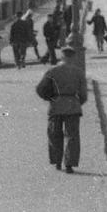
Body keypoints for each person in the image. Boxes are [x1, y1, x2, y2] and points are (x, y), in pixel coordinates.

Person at [35, 45, 88, 173]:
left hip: (55, 105)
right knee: (72, 136)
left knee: (54, 134)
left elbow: (40, 89)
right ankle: (69, 164)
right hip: (73, 106)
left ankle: (57, 161)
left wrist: (49, 98)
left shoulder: (53, 71)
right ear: (73, 57)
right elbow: (84, 95)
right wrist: (77, 102)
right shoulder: (79, 72)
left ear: (61, 56)